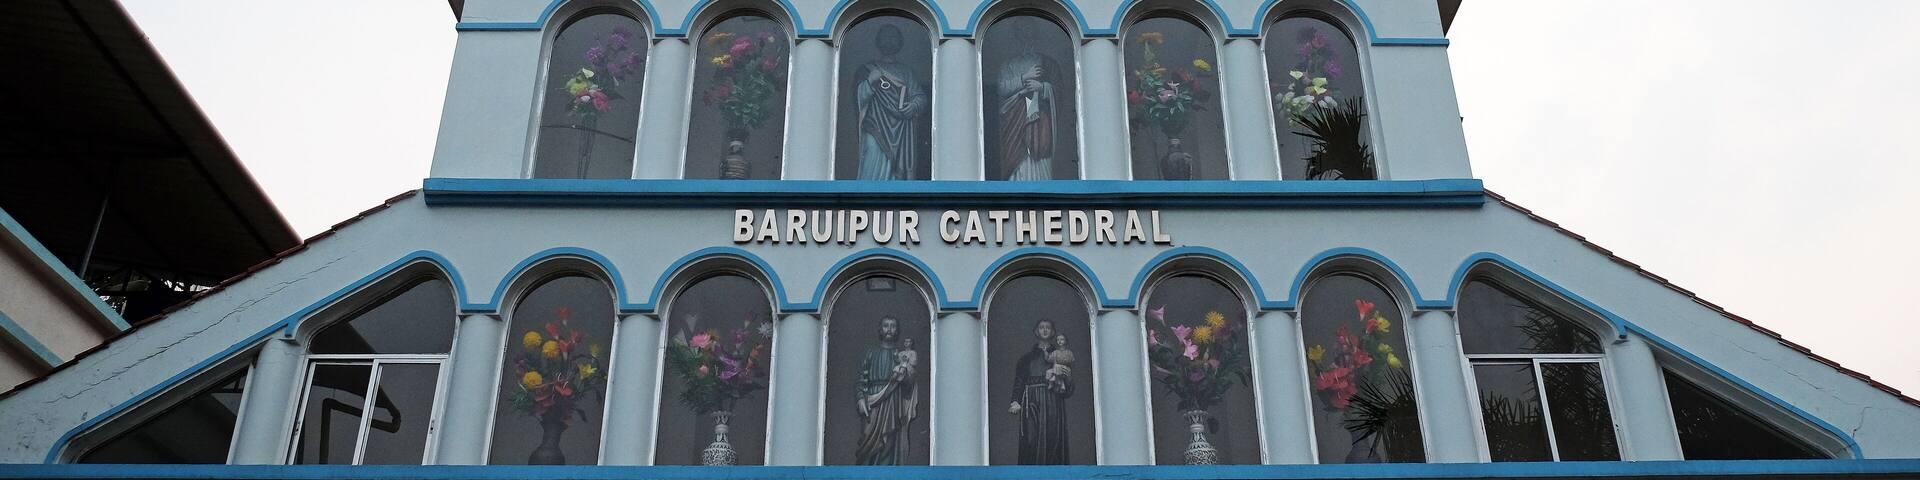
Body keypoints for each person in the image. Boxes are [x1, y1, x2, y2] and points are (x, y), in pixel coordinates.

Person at [853, 24, 929, 180]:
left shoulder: (906, 72)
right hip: (875, 126)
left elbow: (920, 97)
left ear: (899, 42)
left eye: (894, 37)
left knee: (897, 168)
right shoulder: (867, 69)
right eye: (886, 36)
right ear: (879, 40)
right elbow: (858, 99)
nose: (890, 40)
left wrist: (913, 106)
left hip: (901, 131)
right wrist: (869, 83)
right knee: (872, 157)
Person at [1008, 319, 1073, 464]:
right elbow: (1019, 382)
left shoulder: (1060, 356)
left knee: (1053, 439)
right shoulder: (1026, 359)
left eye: (1048, 327)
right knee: (1031, 439)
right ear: (1036, 331)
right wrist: (1015, 401)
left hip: (1052, 401)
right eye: (1041, 327)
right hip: (1032, 402)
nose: (1044, 330)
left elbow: (1068, 389)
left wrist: (1067, 378)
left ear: (1053, 332)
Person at [855, 316, 917, 464]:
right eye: (885, 326)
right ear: (880, 330)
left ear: (897, 331)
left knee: (890, 439)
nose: (889, 329)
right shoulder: (871, 353)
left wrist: (906, 372)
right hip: (872, 401)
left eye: (893, 326)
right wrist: (860, 399)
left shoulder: (901, 356)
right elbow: (861, 380)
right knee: (867, 440)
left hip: (893, 400)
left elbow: (909, 384)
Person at [995, 53, 1059, 180]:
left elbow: (1060, 92)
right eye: (1021, 33)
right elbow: (1000, 88)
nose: (1027, 36)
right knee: (1016, 159)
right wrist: (1024, 77)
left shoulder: (1048, 63)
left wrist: (1042, 87)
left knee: (1039, 157)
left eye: (1032, 33)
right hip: (1014, 121)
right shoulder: (1008, 65)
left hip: (1040, 123)